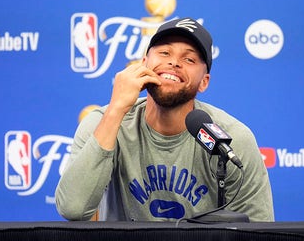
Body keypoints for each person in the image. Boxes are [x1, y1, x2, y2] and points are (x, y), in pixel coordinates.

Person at [55, 17, 274, 222]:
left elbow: (258, 230)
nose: (174, 63)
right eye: (164, 53)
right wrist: (116, 110)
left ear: (204, 82)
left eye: (189, 59)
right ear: (143, 63)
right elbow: (73, 208)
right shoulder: (103, 123)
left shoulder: (230, 139)